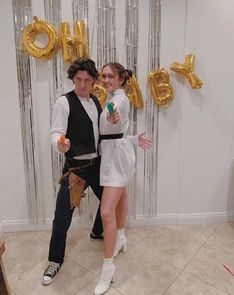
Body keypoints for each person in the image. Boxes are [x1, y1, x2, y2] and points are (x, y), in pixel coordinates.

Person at [42, 58, 106, 286]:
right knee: (62, 217)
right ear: (73, 79)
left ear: (93, 81)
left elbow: (99, 133)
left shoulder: (96, 101)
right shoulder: (64, 102)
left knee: (111, 201)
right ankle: (54, 260)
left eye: (87, 80)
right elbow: (55, 133)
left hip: (97, 165)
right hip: (77, 168)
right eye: (78, 79)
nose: (82, 84)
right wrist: (60, 144)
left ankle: (97, 232)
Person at [94, 62, 151, 295]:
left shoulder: (119, 99)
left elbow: (114, 111)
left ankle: (108, 267)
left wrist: (113, 114)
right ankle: (121, 236)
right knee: (122, 196)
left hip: (115, 160)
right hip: (116, 153)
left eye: (110, 76)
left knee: (106, 212)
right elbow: (116, 129)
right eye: (104, 76)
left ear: (120, 80)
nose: (106, 80)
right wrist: (133, 138)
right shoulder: (112, 96)